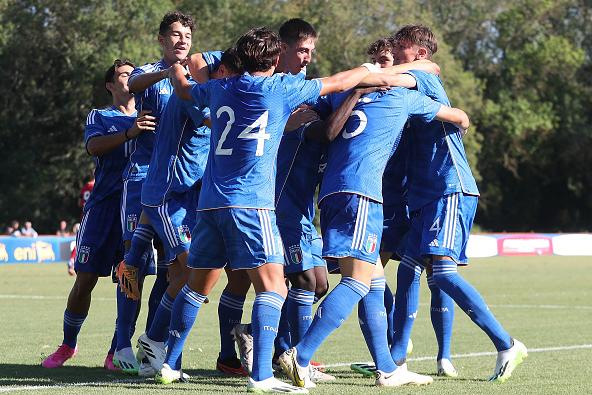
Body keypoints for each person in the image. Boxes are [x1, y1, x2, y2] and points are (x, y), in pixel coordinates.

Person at [156, 26, 404, 392]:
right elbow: (337, 81)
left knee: (195, 287)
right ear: (274, 60)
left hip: (210, 204)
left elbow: (184, 88)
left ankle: (169, 365)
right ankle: (262, 376)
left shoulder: (220, 87)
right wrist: (372, 71)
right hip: (251, 205)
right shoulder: (280, 88)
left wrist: (175, 67)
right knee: (274, 289)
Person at [278, 46, 472, 388]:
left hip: (331, 193)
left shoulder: (341, 96)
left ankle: (388, 368)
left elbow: (304, 110)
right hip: (363, 193)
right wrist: (462, 119)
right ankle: (301, 354)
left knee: (373, 282)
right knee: (356, 282)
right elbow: (456, 116)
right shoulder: (401, 98)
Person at [387, 24, 527, 383]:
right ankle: (396, 360)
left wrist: (371, 74)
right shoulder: (412, 74)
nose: (394, 53)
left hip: (448, 188)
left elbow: (421, 73)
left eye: (400, 48)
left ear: (419, 53)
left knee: (443, 272)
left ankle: (506, 343)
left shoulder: (424, 76)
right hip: (424, 196)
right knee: (407, 270)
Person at [116, 49, 240, 375]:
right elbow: (221, 126)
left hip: (187, 198)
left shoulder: (206, 87)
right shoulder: (194, 95)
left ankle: (154, 348)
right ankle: (148, 346)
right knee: (191, 276)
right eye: (231, 75)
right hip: (166, 197)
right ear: (220, 70)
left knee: (182, 277)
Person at [41, 59, 156, 370]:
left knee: (130, 279)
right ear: (110, 85)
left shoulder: (153, 113)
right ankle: (68, 344)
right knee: (86, 278)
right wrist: (130, 132)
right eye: (123, 75)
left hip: (137, 209)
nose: (130, 79)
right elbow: (93, 146)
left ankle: (116, 351)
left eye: (134, 75)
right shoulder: (100, 116)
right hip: (103, 208)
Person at [115, 11, 195, 376]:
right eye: (175, 35)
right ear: (162, 40)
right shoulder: (153, 74)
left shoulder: (197, 76)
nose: (182, 40)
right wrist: (168, 74)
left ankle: (154, 348)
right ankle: (121, 345)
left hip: (180, 187)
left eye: (187, 34)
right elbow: (131, 84)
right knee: (135, 268)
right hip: (143, 180)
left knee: (172, 270)